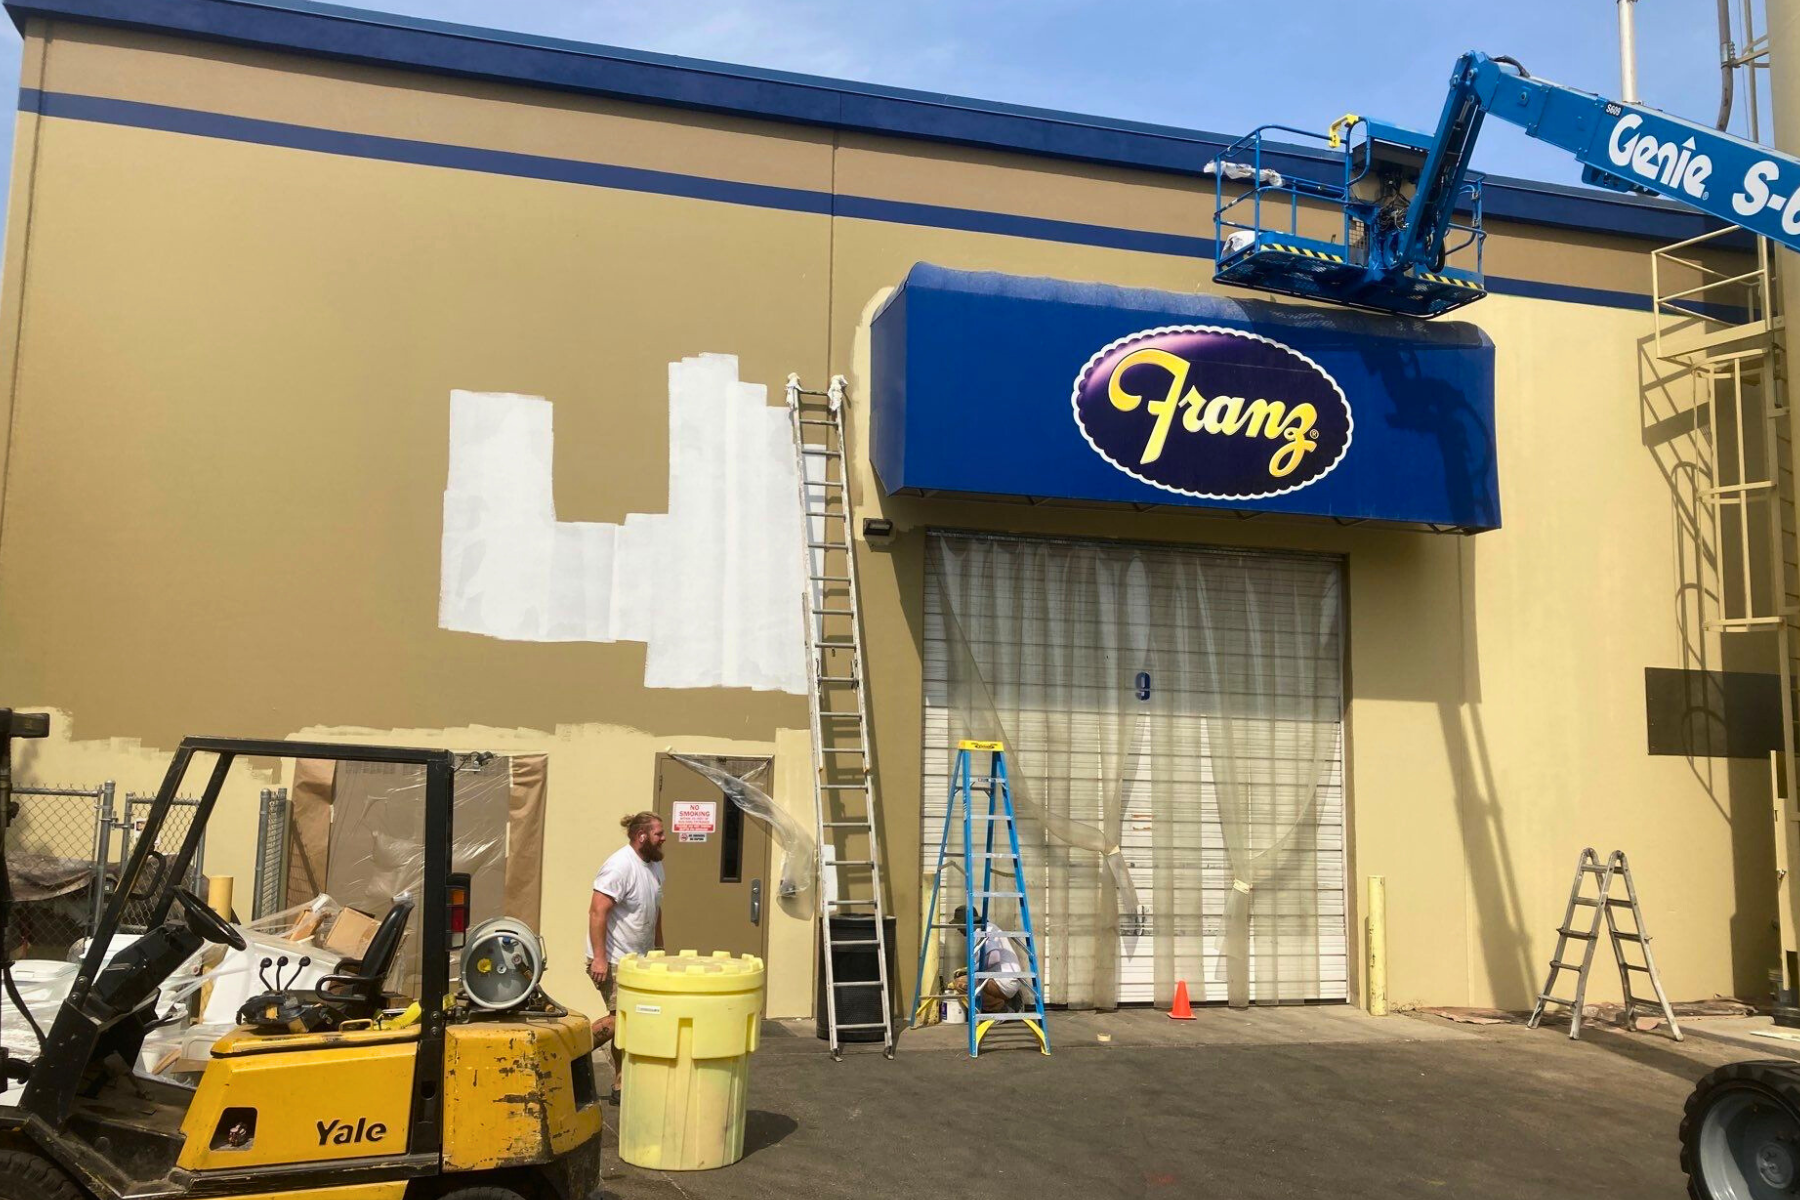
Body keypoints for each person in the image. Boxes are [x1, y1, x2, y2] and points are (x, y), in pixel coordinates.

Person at [587, 811, 665, 1102]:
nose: (664, 837)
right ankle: (569, 1054)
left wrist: (658, 950)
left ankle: (621, 1083)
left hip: (640, 960)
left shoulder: (655, 866)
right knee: (623, 1019)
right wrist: (599, 958)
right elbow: (598, 911)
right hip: (614, 958)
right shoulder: (620, 866)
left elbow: (656, 910)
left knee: (629, 1020)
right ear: (642, 836)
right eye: (659, 833)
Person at [951, 905, 1028, 1014]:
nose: (958, 929)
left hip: (1004, 982)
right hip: (1002, 980)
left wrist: (971, 970)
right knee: (967, 977)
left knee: (961, 983)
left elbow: (994, 958)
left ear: (966, 923)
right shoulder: (981, 930)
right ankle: (1011, 1001)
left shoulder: (985, 930)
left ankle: (1001, 1010)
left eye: (959, 925)